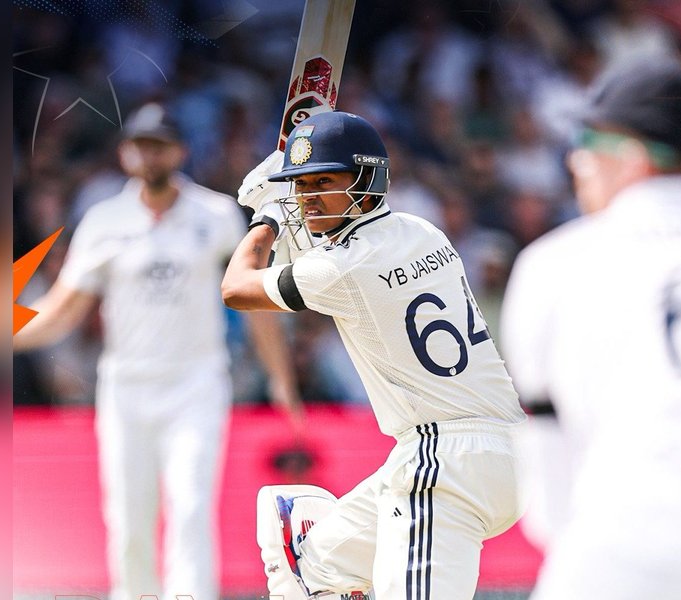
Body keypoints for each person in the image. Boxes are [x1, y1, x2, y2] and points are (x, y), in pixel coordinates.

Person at [221, 110, 528, 599]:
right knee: (311, 568)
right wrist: (296, 213)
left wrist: (267, 219)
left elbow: (236, 289)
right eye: (299, 185)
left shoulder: (342, 270)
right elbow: (327, 262)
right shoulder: (423, 232)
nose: (307, 197)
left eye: (324, 181)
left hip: (440, 461)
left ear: (366, 179)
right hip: (498, 450)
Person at [13, 102, 303, 600]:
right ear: (126, 153)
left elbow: (251, 301)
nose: (150, 155)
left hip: (196, 383)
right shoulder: (105, 220)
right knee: (128, 515)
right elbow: (64, 308)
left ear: (180, 151)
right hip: (126, 387)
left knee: (190, 506)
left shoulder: (214, 215)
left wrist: (281, 379)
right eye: (140, 145)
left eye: (160, 145)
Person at [500, 63, 681, 600]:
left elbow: (549, 473)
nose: (575, 160)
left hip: (622, 549)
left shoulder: (554, 264)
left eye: (586, 141)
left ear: (631, 157)